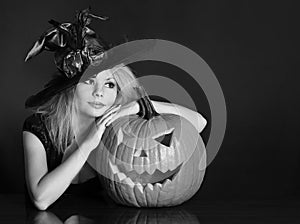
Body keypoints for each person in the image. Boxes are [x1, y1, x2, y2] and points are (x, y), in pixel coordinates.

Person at [22, 8, 207, 210]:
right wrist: (89, 143)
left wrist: (140, 105)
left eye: (109, 84)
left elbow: (199, 123)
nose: (99, 92)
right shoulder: (39, 128)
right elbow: (41, 199)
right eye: (89, 81)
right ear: (70, 89)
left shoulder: (119, 127)